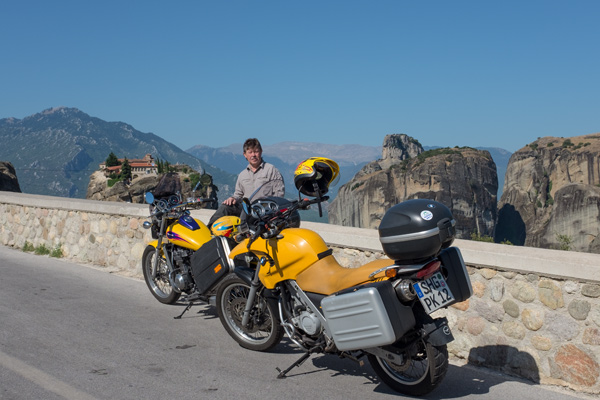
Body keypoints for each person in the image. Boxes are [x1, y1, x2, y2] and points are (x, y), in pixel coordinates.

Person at [207, 138, 285, 228]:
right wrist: (233, 198)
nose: (253, 155)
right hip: (246, 209)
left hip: (264, 210)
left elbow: (279, 194)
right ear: (245, 155)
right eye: (250, 152)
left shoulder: (271, 170)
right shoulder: (242, 175)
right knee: (225, 207)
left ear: (261, 152)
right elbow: (238, 194)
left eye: (256, 151)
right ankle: (209, 229)